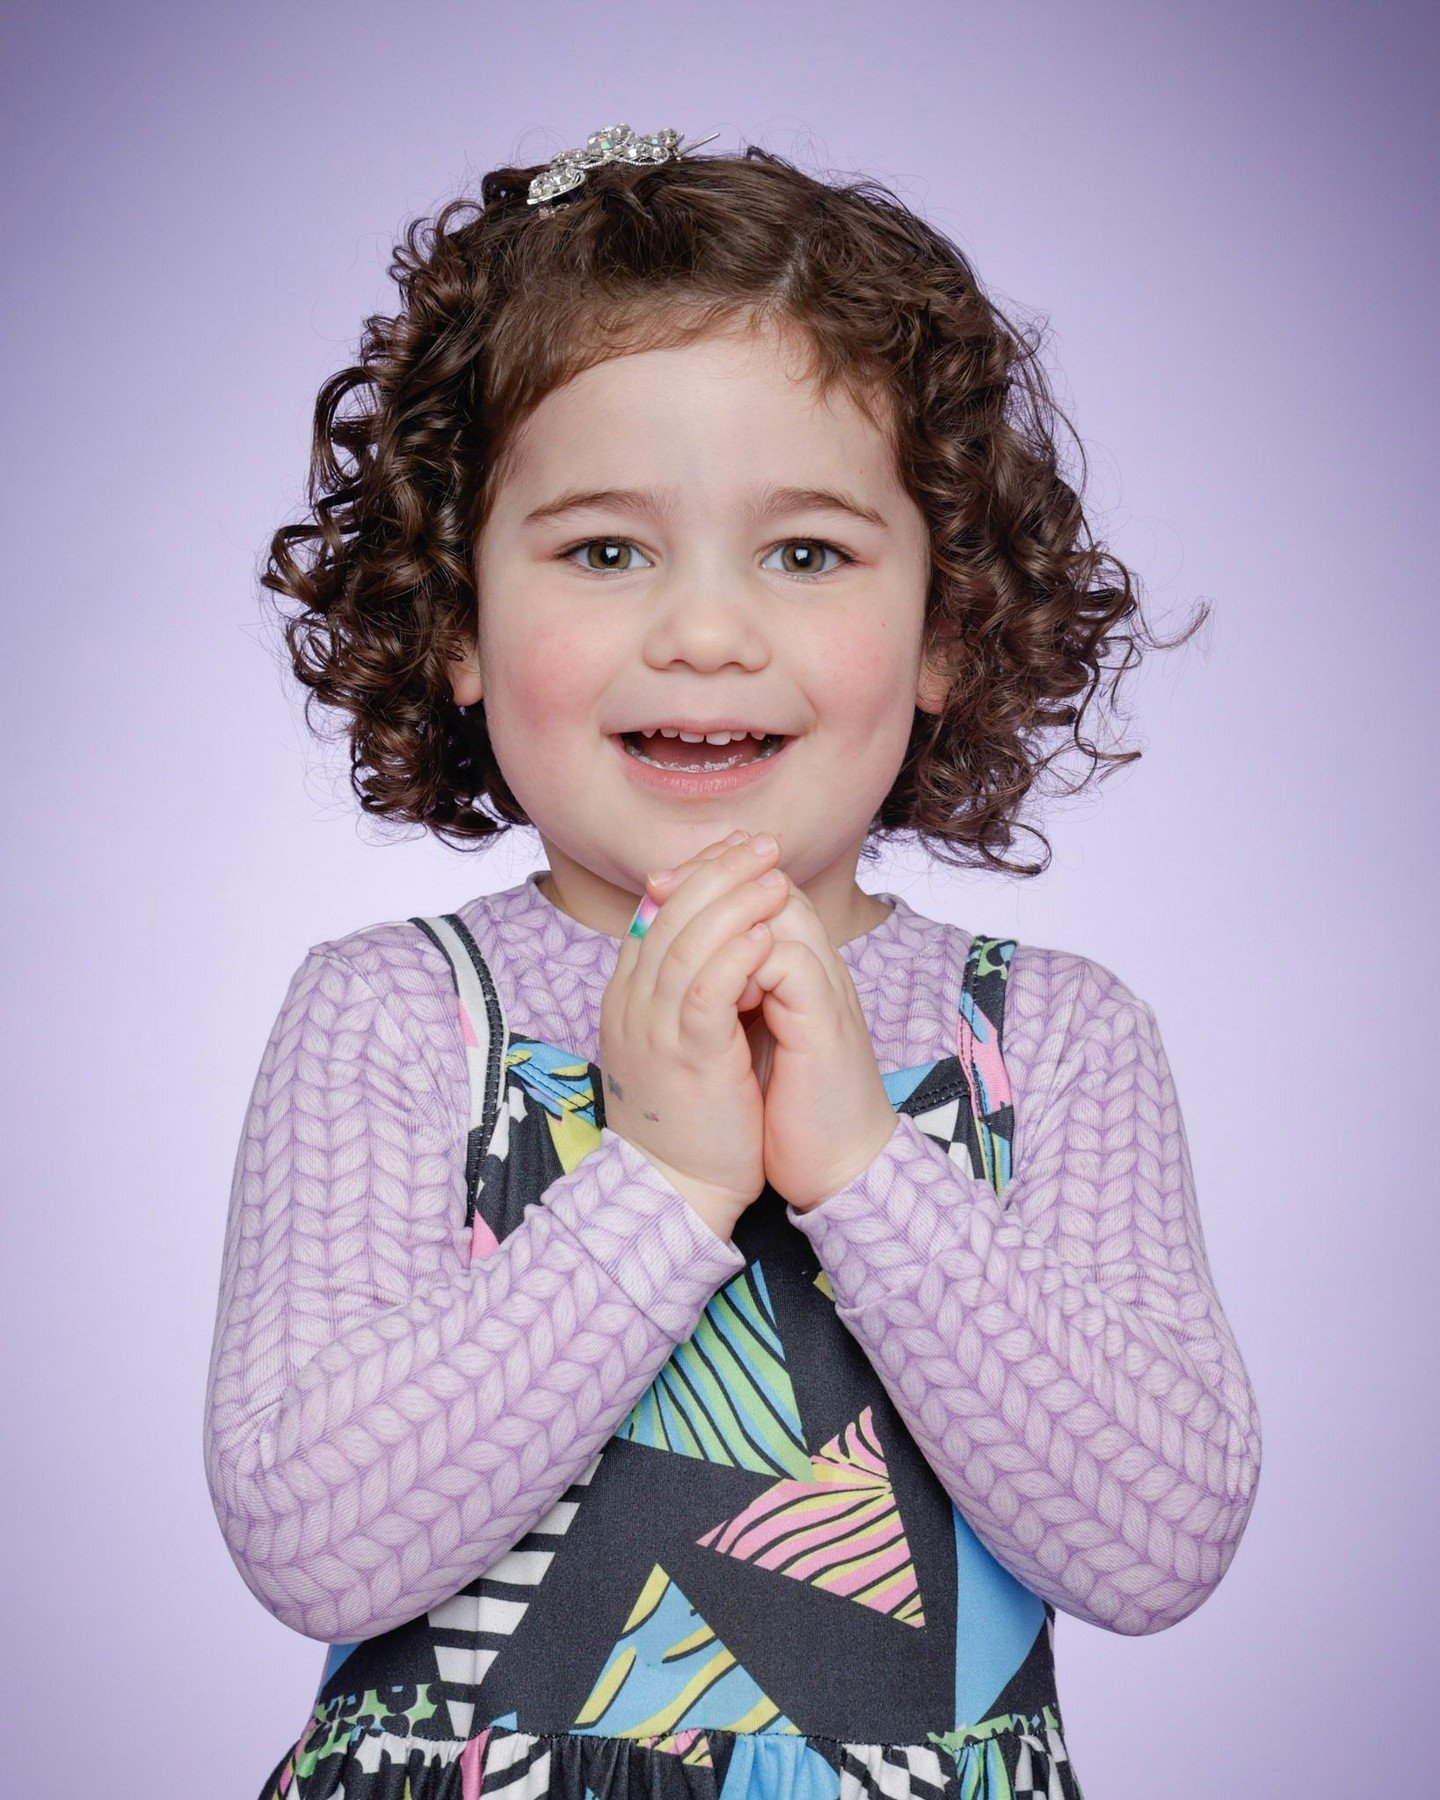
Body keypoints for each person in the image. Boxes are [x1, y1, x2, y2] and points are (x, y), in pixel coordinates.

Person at [204, 123, 1262, 1800]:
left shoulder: (1050, 1039)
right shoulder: (397, 1018)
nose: (705, 631)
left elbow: (1158, 1548)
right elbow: (314, 1545)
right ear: (457, 621)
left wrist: (862, 1170)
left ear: (944, 630)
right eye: (605, 550)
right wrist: (661, 1181)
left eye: (808, 552)